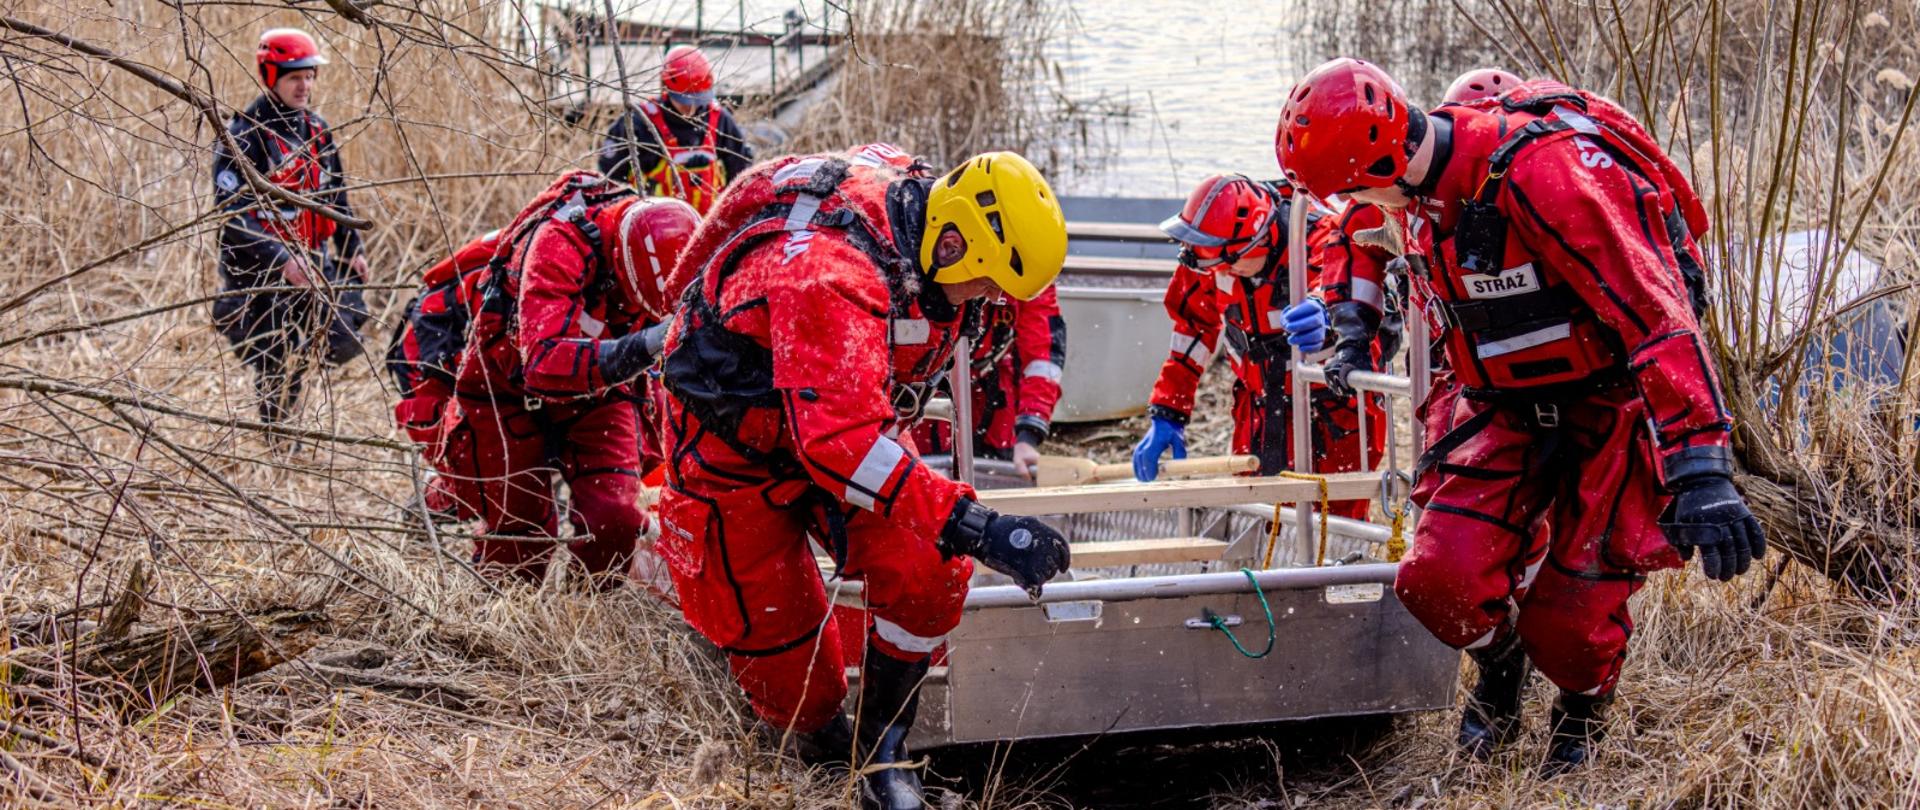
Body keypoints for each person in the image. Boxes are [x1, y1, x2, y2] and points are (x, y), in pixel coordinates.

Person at [1275, 57, 1765, 774]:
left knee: (1572, 619)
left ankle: (1580, 709)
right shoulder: (1408, 183)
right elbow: (1356, 234)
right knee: (1437, 582)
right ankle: (1500, 668)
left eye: (1351, 191)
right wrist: (1350, 322)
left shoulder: (1543, 173)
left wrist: (1702, 467)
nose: (1356, 207)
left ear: (1379, 164)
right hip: (1499, 405)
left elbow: (1656, 313)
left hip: (1608, 404)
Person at [655, 144, 1073, 809]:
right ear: (954, 246)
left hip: (840, 410)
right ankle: (819, 732)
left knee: (931, 570)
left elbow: (751, 190)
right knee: (800, 691)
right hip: (731, 453)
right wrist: (977, 525)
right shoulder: (827, 273)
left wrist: (950, 532)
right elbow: (841, 447)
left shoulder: (914, 214)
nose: (992, 300)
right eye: (989, 284)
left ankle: (883, 751)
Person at [441, 171, 699, 584]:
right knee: (520, 537)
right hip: (506, 391)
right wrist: (644, 345)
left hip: (603, 392)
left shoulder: (677, 255)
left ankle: (586, 609)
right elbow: (545, 363)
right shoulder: (558, 243)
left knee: (615, 520)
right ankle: (507, 616)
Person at [1134, 174, 1387, 520]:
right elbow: (1193, 330)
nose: (1223, 272)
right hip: (1258, 406)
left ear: (1260, 240)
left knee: (1335, 521)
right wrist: (1168, 412)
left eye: (1228, 264)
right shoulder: (1209, 254)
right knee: (1257, 514)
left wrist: (1325, 309)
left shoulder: (1319, 236)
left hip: (1335, 410)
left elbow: (1342, 278)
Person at [211, 28, 368, 424]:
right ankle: (277, 433)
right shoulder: (243, 136)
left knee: (344, 339)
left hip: (314, 263)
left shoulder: (317, 131)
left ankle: (292, 409)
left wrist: (352, 250)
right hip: (260, 273)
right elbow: (231, 215)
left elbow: (336, 197)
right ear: (272, 77)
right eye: (295, 77)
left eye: (310, 76)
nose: (305, 85)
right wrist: (283, 260)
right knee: (275, 357)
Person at [910, 287, 1068, 479]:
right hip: (923, 392)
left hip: (994, 401)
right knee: (918, 477)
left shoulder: (1034, 278)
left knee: (995, 480)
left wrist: (1028, 436)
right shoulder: (921, 274)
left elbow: (1043, 355)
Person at [599, 45, 754, 214]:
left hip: (709, 222)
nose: (692, 108)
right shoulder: (640, 122)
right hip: (655, 222)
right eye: (685, 101)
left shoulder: (720, 120)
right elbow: (611, 176)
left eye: (698, 100)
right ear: (666, 87)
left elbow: (742, 171)